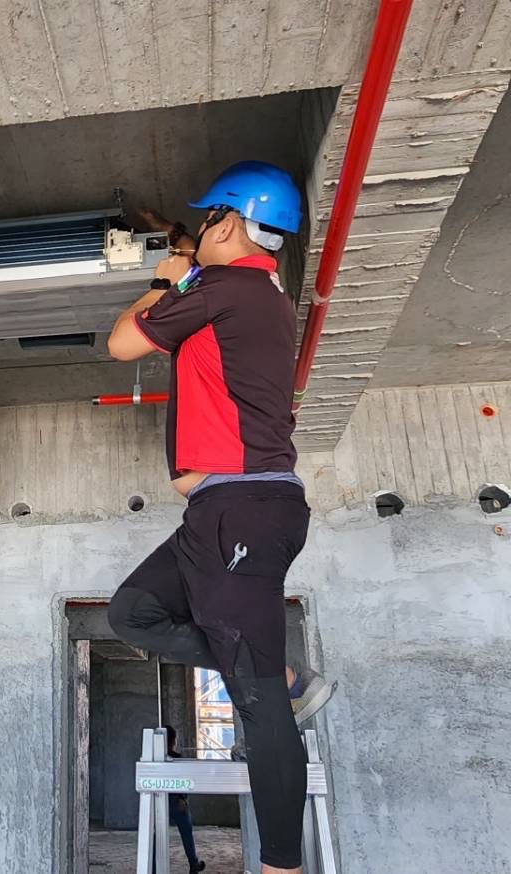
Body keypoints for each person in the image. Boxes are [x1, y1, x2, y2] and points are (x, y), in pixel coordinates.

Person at [105, 161, 336, 874]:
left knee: (257, 703)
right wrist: (185, 250)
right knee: (134, 612)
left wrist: (168, 274)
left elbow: (121, 343)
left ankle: (281, 865)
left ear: (230, 224)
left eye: (210, 220)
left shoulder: (224, 287)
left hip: (242, 510)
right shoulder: (255, 290)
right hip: (221, 513)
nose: (201, 232)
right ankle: (281, 674)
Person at [165, 725, 208, 873]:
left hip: (160, 800)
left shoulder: (156, 759)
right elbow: (185, 782)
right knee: (186, 833)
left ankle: (152, 867)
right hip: (177, 801)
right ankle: (193, 864)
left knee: (156, 836)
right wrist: (184, 799)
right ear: (173, 741)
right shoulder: (177, 759)